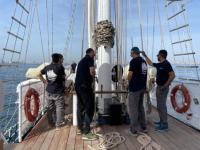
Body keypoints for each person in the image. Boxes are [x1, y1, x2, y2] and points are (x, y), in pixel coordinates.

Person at [142, 50, 175, 131]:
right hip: (159, 87)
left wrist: (165, 85)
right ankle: (161, 121)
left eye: (158, 55)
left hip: (163, 88)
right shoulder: (160, 64)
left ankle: (164, 125)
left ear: (161, 55)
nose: (157, 56)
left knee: (162, 106)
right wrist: (145, 55)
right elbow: (150, 63)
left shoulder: (166, 64)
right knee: (159, 106)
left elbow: (172, 75)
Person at [38, 53, 66, 130]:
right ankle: (57, 125)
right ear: (59, 59)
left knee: (50, 108)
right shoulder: (60, 67)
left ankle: (50, 123)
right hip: (58, 91)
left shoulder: (47, 67)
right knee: (59, 107)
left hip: (49, 91)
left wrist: (45, 81)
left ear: (52, 59)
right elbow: (64, 78)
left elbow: (39, 74)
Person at [75, 48, 97, 140]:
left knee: (80, 107)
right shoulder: (90, 59)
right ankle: (86, 132)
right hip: (85, 88)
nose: (95, 54)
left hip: (78, 87)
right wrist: (94, 74)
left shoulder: (81, 61)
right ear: (91, 53)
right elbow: (92, 71)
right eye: (94, 53)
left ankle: (80, 128)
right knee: (89, 108)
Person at [127, 47, 148, 136]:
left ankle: (133, 129)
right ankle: (143, 127)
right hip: (142, 88)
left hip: (134, 88)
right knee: (140, 107)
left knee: (133, 109)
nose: (130, 54)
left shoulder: (133, 61)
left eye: (131, 52)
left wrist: (128, 83)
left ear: (133, 53)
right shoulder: (143, 61)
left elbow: (130, 74)